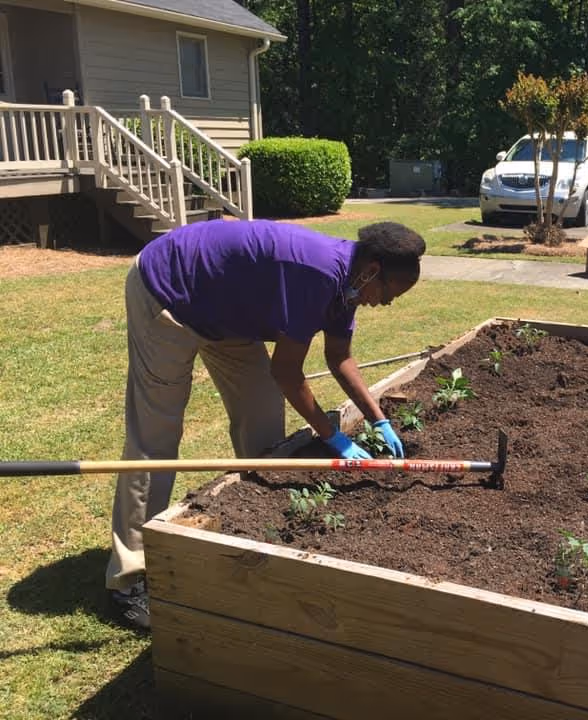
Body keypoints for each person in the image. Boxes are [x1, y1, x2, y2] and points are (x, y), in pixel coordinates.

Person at [106, 218, 426, 629]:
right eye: (390, 294)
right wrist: (332, 436)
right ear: (373, 271)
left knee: (263, 419)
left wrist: (379, 420)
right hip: (173, 289)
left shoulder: (349, 284)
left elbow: (340, 357)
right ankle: (130, 576)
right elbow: (287, 372)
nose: (387, 304)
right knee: (156, 435)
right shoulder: (317, 275)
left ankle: (255, 528)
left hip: (228, 310)